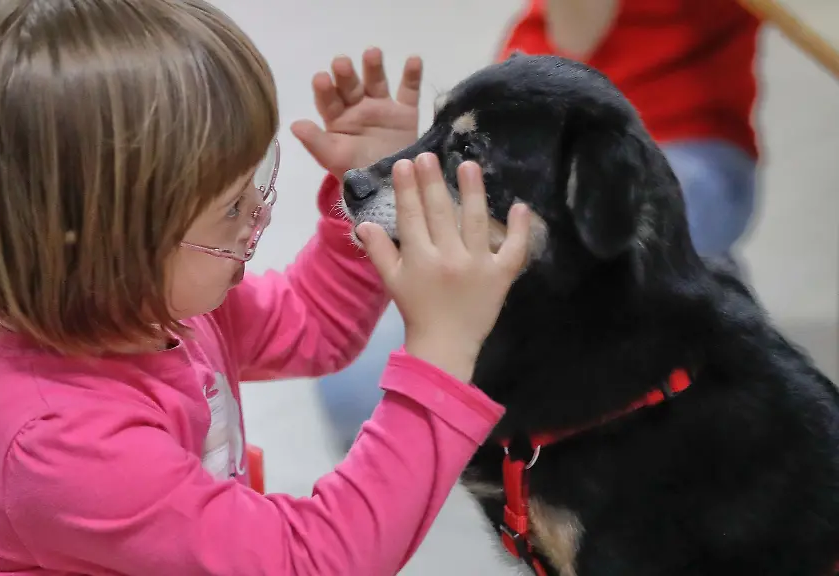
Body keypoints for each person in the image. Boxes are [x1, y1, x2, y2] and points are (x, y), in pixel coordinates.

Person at [0, 0, 534, 574]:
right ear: (109, 246)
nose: (259, 217)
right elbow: (315, 561)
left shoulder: (150, 304)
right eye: (229, 211)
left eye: (255, 183)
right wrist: (441, 356)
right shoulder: (62, 443)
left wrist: (368, 193)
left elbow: (313, 323)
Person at [316, 0, 763, 450]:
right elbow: (567, 44)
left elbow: (578, 36)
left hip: (686, 139)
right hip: (523, 116)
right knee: (351, 392)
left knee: (650, 298)